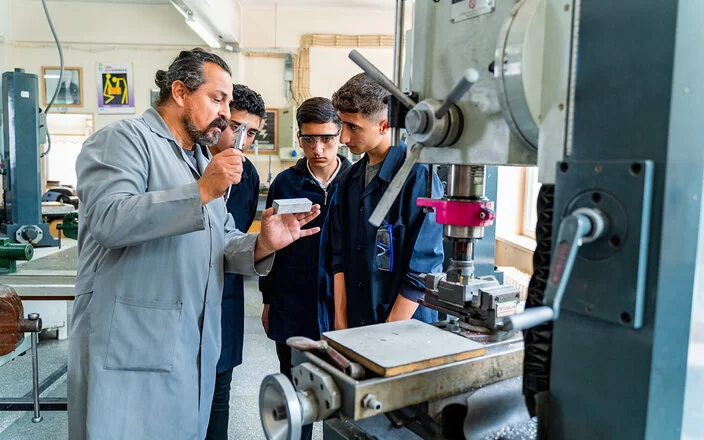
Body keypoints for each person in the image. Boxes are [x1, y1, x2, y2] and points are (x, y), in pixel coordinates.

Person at [68, 48, 321, 440]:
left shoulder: (201, 159)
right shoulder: (123, 140)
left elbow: (221, 243)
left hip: (190, 344)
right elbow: (107, 219)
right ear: (181, 92)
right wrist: (201, 191)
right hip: (130, 343)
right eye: (217, 99)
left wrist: (262, 244)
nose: (225, 114)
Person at [329, 73, 444, 330]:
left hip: (405, 330)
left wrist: (386, 333)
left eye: (353, 127)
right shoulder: (349, 181)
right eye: (341, 124)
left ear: (384, 125)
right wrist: (340, 321)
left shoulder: (418, 179)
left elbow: (422, 272)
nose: (343, 138)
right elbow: (339, 257)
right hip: (356, 322)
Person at [204, 84, 263, 440]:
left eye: (252, 132)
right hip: (186, 297)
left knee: (220, 391)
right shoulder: (189, 163)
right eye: (236, 126)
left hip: (226, 298)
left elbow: (235, 240)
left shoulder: (249, 176)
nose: (243, 139)